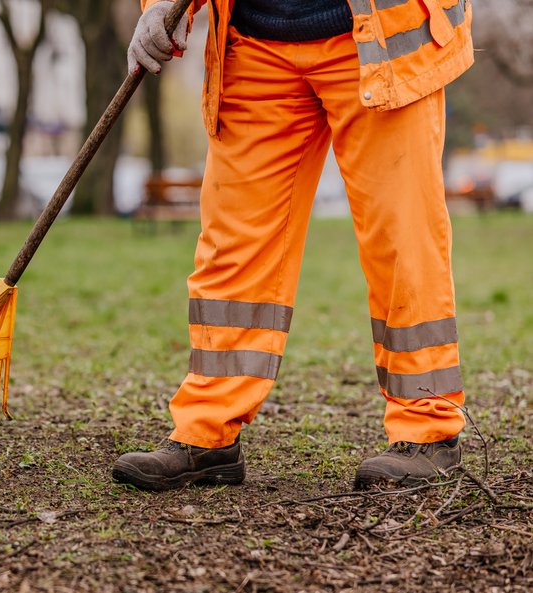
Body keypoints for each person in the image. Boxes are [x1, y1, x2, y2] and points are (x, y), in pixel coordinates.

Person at [112, 0, 473, 491]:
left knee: (402, 240)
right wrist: (159, 7)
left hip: (380, 38)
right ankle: (207, 430)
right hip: (256, 45)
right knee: (233, 249)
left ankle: (429, 426)